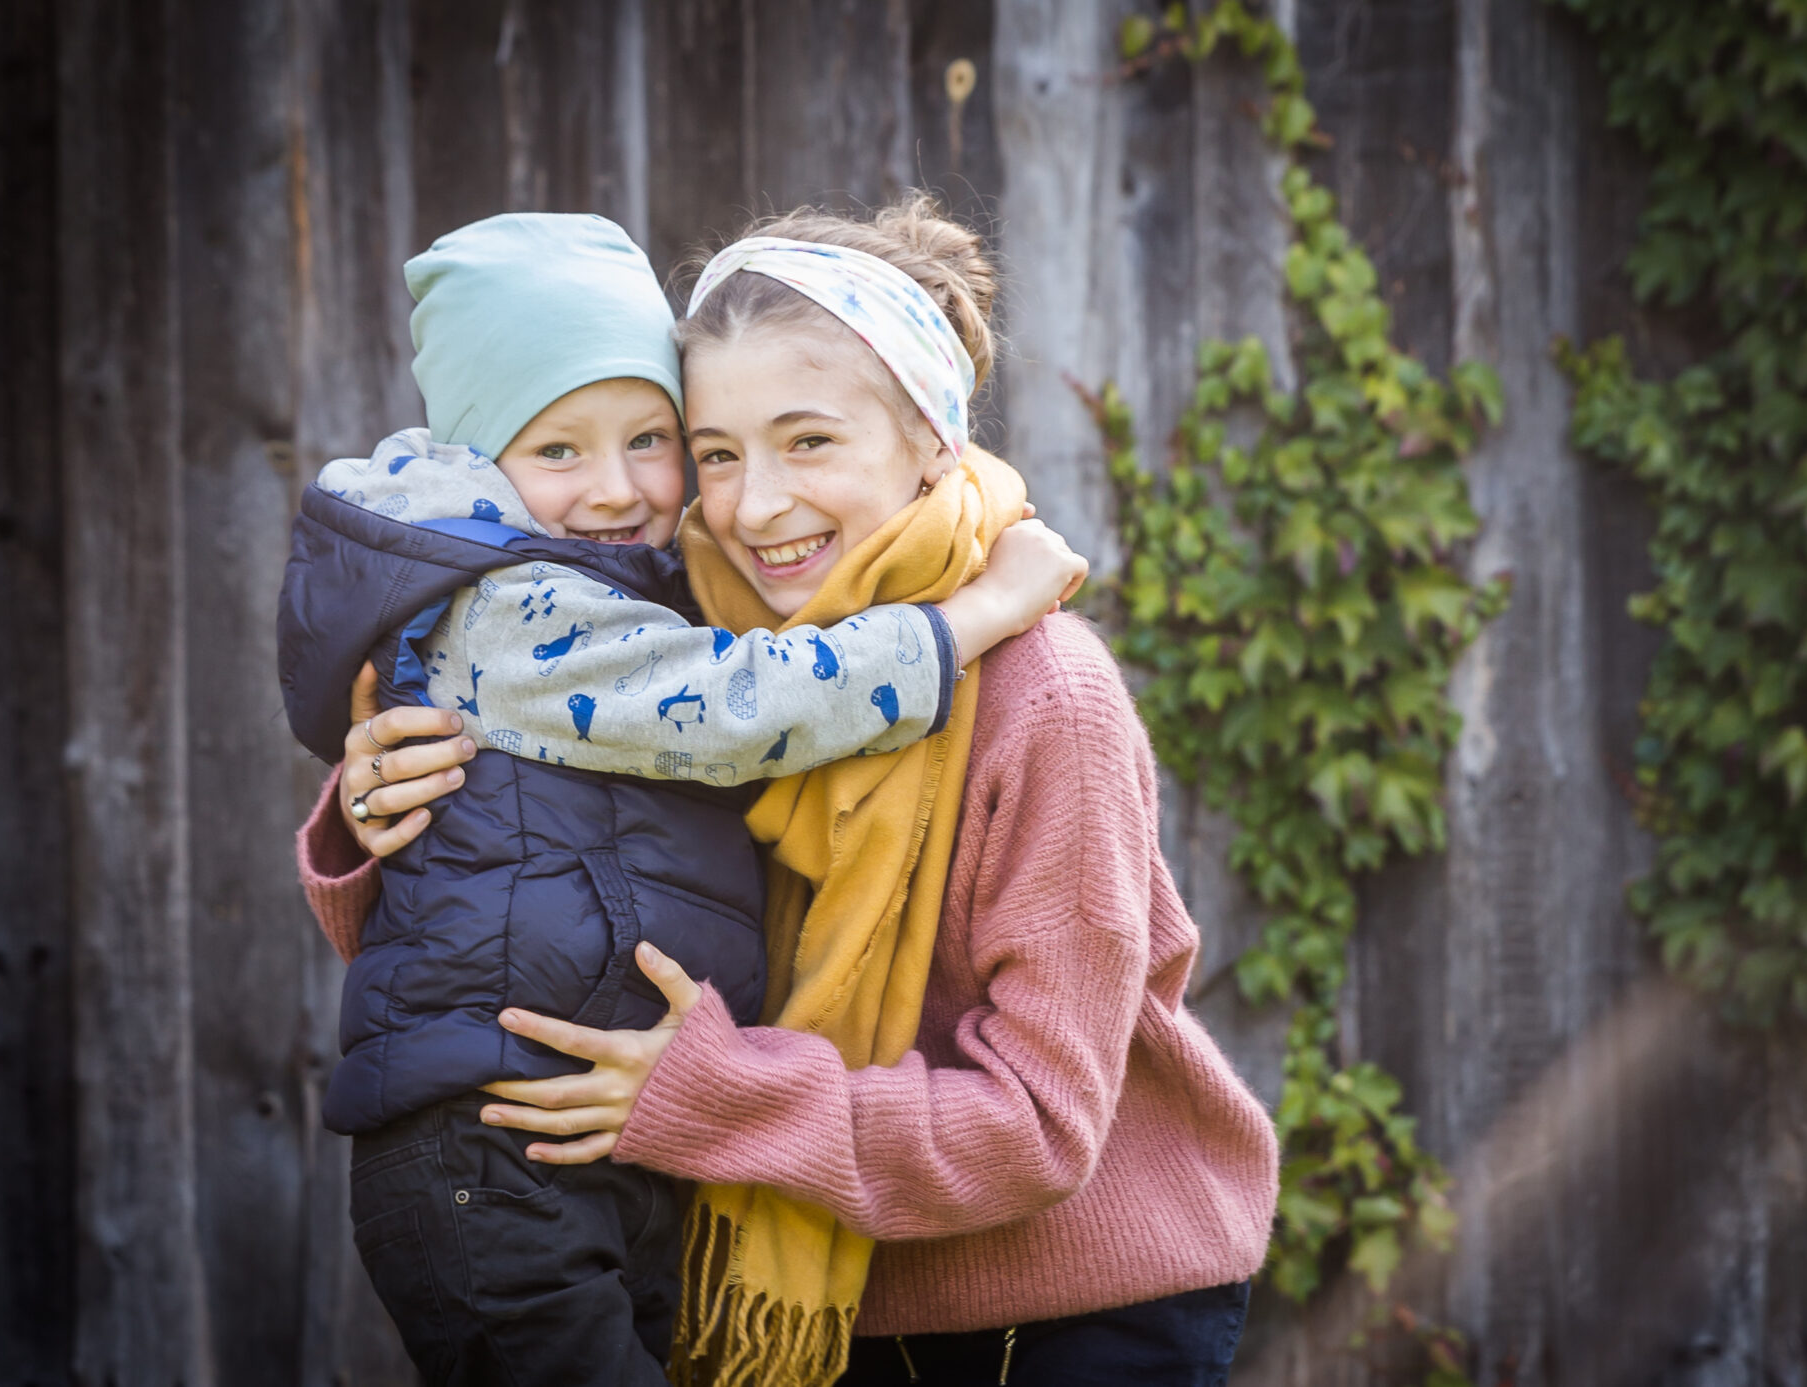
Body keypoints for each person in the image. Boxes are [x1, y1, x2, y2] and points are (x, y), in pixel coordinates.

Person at [300, 197, 1278, 1387]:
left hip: (1070, 1308)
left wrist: (716, 1096)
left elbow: (1037, 1132)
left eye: (809, 441)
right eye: (716, 453)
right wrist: (389, 802)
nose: (755, 506)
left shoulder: (1043, 699)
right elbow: (527, 932)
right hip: (821, 1295)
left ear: (930, 440)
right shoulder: (689, 650)